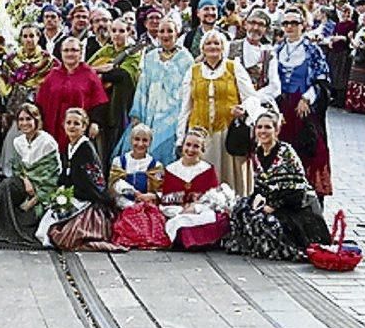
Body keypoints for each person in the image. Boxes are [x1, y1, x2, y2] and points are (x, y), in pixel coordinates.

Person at [224, 108, 331, 261]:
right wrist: (257, 198)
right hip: (270, 202)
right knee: (241, 209)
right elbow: (261, 185)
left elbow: (297, 190)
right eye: (259, 127)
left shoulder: (286, 152)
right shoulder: (258, 152)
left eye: (268, 127)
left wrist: (273, 205)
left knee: (264, 221)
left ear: (276, 130)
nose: (263, 131)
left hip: (295, 208)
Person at [176, 30, 256, 195]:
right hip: (201, 134)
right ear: (202, 48)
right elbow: (186, 106)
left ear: (223, 47)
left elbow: (252, 97)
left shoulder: (233, 67)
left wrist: (243, 108)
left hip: (227, 132)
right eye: (208, 44)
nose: (213, 47)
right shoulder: (193, 71)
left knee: (229, 181)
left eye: (216, 43)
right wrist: (180, 137)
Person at [41, 107, 124, 252]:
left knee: (68, 236)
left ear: (84, 126)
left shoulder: (86, 149)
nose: (72, 126)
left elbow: (92, 182)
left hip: (88, 199)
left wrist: (72, 195)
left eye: (76, 123)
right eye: (69, 123)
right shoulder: (69, 147)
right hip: (74, 195)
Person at [275, 8, 333, 199]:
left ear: (303, 25)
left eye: (294, 23)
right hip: (282, 108)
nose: (290, 27)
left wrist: (307, 98)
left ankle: (308, 201)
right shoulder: (276, 51)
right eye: (286, 23)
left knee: (309, 151)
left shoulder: (312, 50)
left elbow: (323, 78)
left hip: (304, 110)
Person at [120, 19, 193, 166]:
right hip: (149, 114)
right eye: (162, 31)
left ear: (177, 33)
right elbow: (142, 87)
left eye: (170, 31)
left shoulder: (186, 59)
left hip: (174, 116)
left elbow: (188, 91)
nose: (166, 35)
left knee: (167, 152)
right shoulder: (150, 57)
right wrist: (137, 114)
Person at [0, 103, 60, 245]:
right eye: (21, 120)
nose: (24, 123)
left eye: (28, 119)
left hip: (43, 190)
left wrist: (35, 195)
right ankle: (5, 230)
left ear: (36, 120)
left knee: (31, 211)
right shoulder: (18, 142)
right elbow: (18, 168)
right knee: (6, 185)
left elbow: (52, 176)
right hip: (26, 184)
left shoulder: (47, 142)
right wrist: (26, 180)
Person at [159, 127, 231, 250]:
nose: (191, 150)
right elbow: (166, 200)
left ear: (202, 149)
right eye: (188, 145)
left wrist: (196, 208)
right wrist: (180, 211)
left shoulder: (207, 170)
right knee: (180, 224)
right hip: (178, 214)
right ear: (182, 146)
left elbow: (213, 199)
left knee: (219, 219)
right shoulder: (171, 169)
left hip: (200, 212)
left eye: (196, 146)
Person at [0, 24, 55, 173]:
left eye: (32, 36)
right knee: (13, 141)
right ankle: (9, 174)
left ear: (38, 37)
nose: (29, 40)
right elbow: (3, 83)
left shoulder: (48, 60)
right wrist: (3, 110)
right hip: (15, 108)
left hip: (37, 109)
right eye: (25, 36)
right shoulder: (11, 60)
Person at [36, 36, 109, 149]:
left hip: (77, 129)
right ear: (61, 53)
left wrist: (95, 122)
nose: (70, 54)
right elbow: (40, 101)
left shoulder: (89, 74)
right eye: (66, 50)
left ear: (80, 53)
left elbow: (100, 101)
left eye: (74, 50)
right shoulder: (53, 75)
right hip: (53, 128)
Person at [87, 18, 141, 166]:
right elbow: (87, 69)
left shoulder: (133, 53)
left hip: (120, 105)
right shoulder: (105, 51)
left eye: (122, 31)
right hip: (100, 104)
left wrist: (104, 74)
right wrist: (100, 69)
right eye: (114, 31)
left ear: (129, 32)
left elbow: (125, 75)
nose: (117, 34)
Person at [108, 124, 170, 249]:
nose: (140, 144)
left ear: (150, 142)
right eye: (137, 139)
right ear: (131, 140)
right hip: (123, 202)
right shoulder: (119, 161)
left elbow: (160, 190)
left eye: (145, 140)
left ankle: (145, 239)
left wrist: (150, 196)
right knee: (130, 215)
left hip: (146, 205)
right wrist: (133, 194)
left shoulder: (155, 165)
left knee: (150, 219)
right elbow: (114, 184)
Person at [228, 9, 280, 103]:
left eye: (261, 25)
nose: (255, 28)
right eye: (252, 22)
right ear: (246, 25)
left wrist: (252, 99)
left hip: (257, 104)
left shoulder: (269, 54)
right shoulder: (230, 46)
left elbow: (274, 87)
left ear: (266, 29)